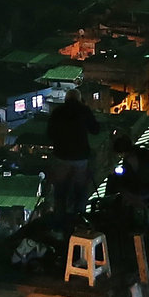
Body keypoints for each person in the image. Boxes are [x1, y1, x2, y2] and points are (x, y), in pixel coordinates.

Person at [45, 89, 103, 219]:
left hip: (61, 155)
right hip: (80, 156)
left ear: (66, 99)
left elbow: (50, 133)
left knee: (60, 188)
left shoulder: (58, 112)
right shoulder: (84, 110)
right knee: (80, 187)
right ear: (79, 99)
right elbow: (95, 130)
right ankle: (79, 217)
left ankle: (59, 217)